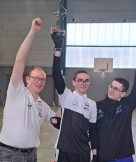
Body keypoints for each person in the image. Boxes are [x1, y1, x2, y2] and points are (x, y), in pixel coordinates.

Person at [0, 18, 57, 162]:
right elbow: (19, 60)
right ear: (27, 79)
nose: (39, 81)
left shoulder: (44, 106)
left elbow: (58, 119)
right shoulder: (16, 92)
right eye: (35, 78)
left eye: (42, 79)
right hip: (10, 154)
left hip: (31, 155)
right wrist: (32, 32)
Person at [50, 27, 97, 162]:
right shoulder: (67, 96)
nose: (83, 83)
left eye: (86, 80)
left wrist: (95, 154)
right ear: (74, 82)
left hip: (83, 152)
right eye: (80, 80)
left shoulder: (92, 105)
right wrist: (58, 48)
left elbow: (93, 130)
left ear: (89, 83)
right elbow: (57, 76)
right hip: (64, 150)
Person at [96, 47, 136, 162]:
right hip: (104, 156)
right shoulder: (98, 106)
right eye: (111, 86)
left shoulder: (127, 105)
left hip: (124, 156)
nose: (111, 90)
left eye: (116, 89)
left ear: (123, 94)